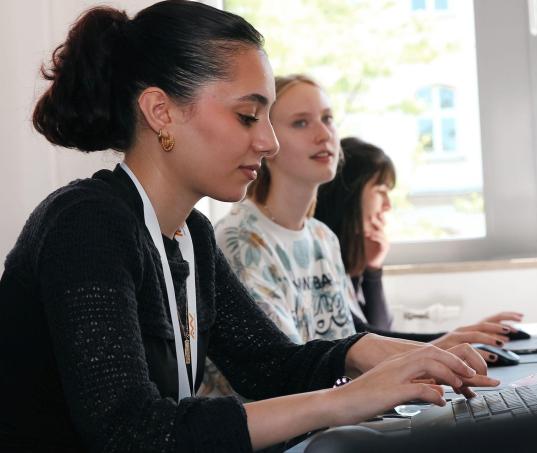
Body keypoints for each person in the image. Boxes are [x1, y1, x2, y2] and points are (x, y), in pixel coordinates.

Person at [0, 2, 496, 451]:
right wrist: (344, 401)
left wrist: (372, 351)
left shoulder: (189, 234)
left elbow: (270, 366)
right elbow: (134, 433)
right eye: (247, 116)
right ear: (160, 111)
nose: (269, 142)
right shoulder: (86, 226)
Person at [215, 74, 519, 362]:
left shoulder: (323, 237)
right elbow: (286, 368)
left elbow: (351, 346)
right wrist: (438, 348)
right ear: (266, 138)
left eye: (328, 119)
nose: (324, 135)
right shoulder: (240, 240)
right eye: (301, 123)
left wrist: (448, 345)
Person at [315, 137, 526, 363]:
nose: (387, 205)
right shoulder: (320, 258)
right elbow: (365, 343)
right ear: (349, 195)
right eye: (381, 190)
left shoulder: (344, 262)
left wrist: (371, 271)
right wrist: (457, 340)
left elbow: (377, 336)